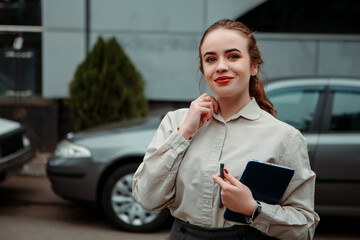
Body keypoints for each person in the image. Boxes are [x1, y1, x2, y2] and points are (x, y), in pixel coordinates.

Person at [132, 19, 319, 240]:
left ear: (253, 66)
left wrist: (254, 209)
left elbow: (304, 228)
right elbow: (146, 198)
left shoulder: (285, 138)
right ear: (204, 69)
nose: (221, 66)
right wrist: (183, 134)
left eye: (233, 56)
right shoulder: (176, 123)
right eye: (211, 59)